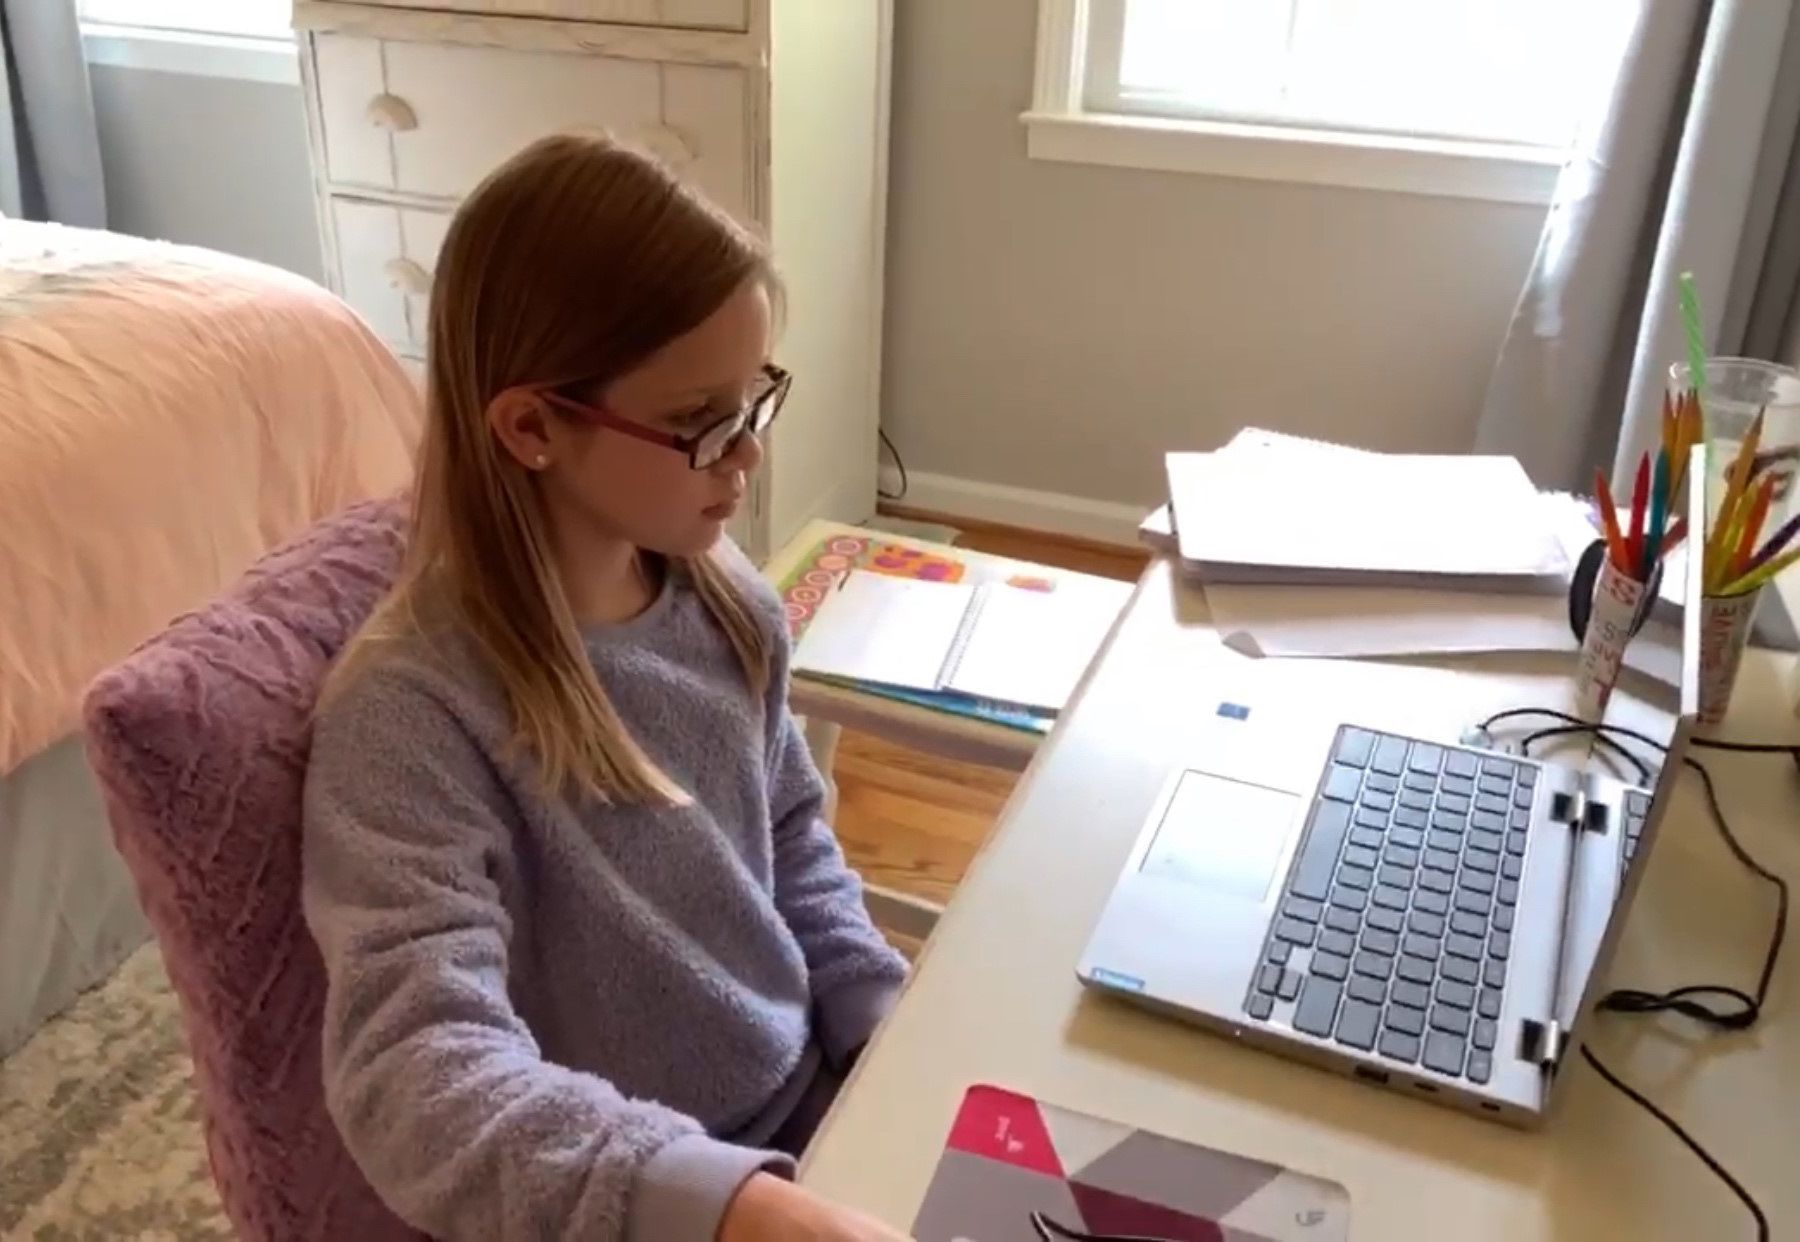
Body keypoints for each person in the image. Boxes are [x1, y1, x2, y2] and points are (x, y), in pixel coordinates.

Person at [301, 132, 912, 1241]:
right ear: (531, 427)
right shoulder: (410, 714)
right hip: (633, 1200)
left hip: (810, 1113)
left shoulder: (728, 601)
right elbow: (413, 1072)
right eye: (698, 422)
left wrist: (880, 1019)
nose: (747, 458)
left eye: (753, 398)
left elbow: (790, 836)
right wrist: (733, 1210)